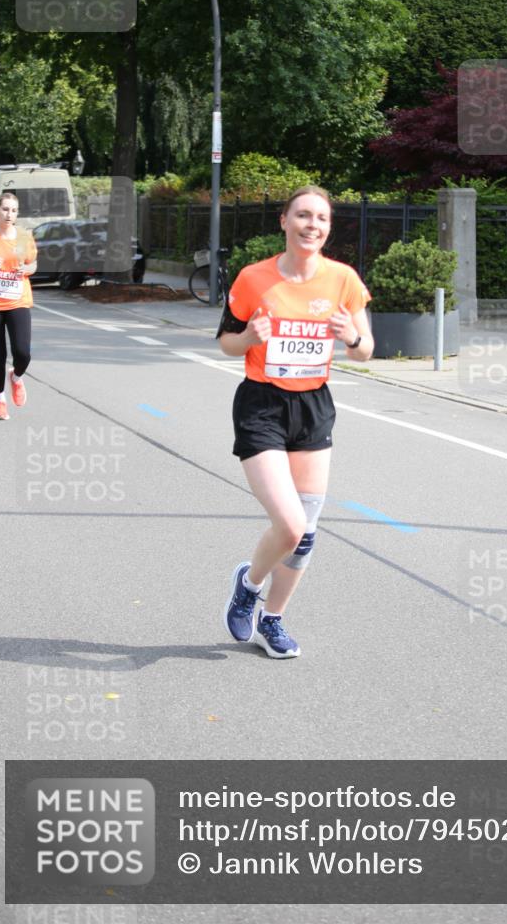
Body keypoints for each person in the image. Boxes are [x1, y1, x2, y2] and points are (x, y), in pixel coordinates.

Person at [218, 186, 374, 658]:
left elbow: (366, 351)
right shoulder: (254, 278)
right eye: (303, 215)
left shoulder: (343, 280)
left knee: (305, 534)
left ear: (328, 228)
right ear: (284, 221)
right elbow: (226, 343)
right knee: (289, 525)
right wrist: (249, 336)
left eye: (321, 219)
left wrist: (352, 337)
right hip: (262, 405)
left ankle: (273, 620)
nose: (312, 225)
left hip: (312, 408)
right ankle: (249, 585)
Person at [0, 192, 37, 420]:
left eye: (14, 210)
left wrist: (26, 270)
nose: (9, 214)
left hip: (18, 300)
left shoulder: (24, 238)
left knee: (23, 353)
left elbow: (33, 264)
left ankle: (16, 377)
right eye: (5, 209)